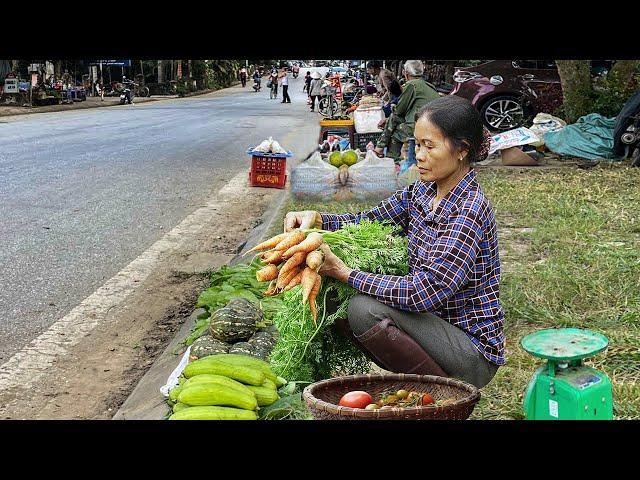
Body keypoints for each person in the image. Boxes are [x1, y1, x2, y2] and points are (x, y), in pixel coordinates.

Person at [282, 96, 502, 388]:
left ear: (462, 150)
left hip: (470, 351)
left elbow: (425, 291)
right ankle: (412, 385)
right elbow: (369, 220)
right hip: (431, 326)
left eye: (430, 146)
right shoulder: (421, 193)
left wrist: (346, 273)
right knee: (333, 299)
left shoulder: (468, 210)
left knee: (363, 310)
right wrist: (319, 219)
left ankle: (445, 393)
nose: (419, 155)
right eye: (417, 144)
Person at [374, 60, 439, 161]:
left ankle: (389, 158)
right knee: (393, 120)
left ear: (406, 73)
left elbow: (399, 111)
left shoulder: (411, 85)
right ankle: (382, 149)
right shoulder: (430, 87)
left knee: (395, 130)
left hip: (420, 127)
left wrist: (388, 119)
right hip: (434, 126)